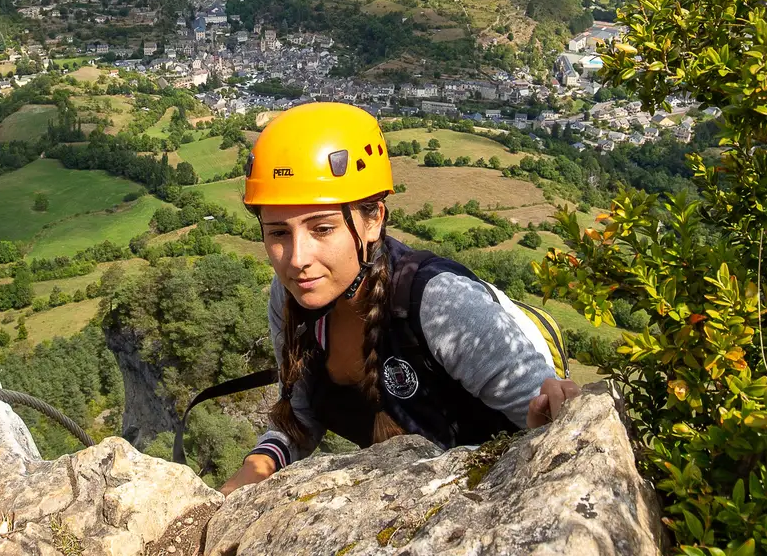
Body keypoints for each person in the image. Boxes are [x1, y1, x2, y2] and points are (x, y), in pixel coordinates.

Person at [220, 101, 581, 494]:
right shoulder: (292, 299)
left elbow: (551, 425)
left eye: (322, 229)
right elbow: (301, 418)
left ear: (373, 218)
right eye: (277, 233)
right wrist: (258, 465)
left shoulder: (441, 304)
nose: (297, 260)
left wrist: (549, 418)